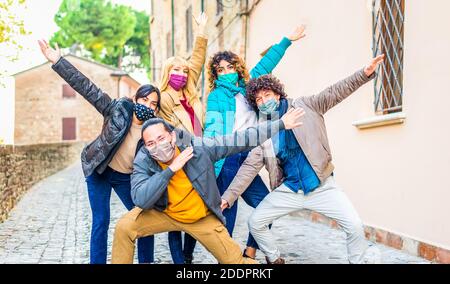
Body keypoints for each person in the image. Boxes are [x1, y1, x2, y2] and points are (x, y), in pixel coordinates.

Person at [222, 54, 386, 264]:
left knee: (354, 226)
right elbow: (249, 167)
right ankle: (274, 259)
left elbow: (335, 92)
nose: (264, 101)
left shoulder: (306, 106)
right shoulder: (264, 131)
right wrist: (228, 197)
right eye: (258, 99)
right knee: (256, 221)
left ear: (278, 94)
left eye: (267, 95)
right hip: (290, 189)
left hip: (322, 185)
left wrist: (364, 74)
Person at [111, 107, 305, 264]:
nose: (157, 145)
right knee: (124, 227)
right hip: (165, 214)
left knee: (235, 262)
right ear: (146, 146)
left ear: (171, 136)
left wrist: (280, 124)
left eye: (161, 138)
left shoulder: (198, 149)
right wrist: (170, 171)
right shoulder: (143, 160)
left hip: (201, 217)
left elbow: (240, 140)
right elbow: (140, 199)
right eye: (151, 143)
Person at [38, 39, 157, 264]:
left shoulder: (154, 130)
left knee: (143, 217)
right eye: (144, 100)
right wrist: (58, 62)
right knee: (101, 221)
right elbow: (87, 87)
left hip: (125, 177)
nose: (148, 106)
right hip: (100, 170)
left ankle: (146, 261)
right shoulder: (117, 109)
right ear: (135, 100)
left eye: (153, 104)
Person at [203, 25, 306, 259]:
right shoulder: (216, 96)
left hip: (251, 157)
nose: (226, 72)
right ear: (215, 74)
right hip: (228, 157)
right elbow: (212, 128)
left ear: (237, 68)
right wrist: (210, 158)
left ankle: (249, 253)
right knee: (227, 211)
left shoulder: (247, 89)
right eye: (221, 70)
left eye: (230, 67)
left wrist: (285, 41)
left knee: (265, 207)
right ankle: (228, 259)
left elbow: (265, 65)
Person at [157, 12, 208, 264]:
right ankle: (179, 262)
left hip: (198, 154)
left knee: (197, 208)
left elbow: (197, 59)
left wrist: (201, 31)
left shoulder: (190, 92)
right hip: (178, 159)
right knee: (176, 212)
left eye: (184, 71)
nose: (182, 74)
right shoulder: (163, 96)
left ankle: (187, 256)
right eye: (176, 70)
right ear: (168, 72)